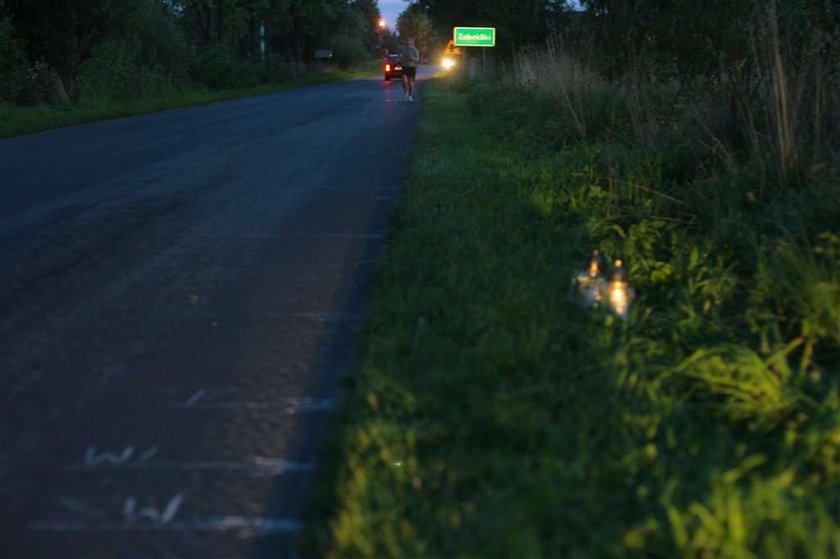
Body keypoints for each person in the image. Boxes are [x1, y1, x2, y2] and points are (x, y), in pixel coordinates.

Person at [401, 38, 420, 102]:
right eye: (406, 41)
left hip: (411, 67)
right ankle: (406, 90)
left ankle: (410, 95)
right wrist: (400, 59)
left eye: (408, 41)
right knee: (403, 81)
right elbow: (400, 56)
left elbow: (417, 59)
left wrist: (412, 58)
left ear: (411, 42)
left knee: (410, 82)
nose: (407, 42)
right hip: (404, 66)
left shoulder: (414, 49)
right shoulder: (403, 49)